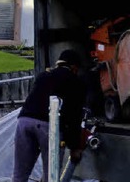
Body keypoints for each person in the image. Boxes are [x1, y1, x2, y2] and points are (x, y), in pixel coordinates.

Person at [12, 49, 87, 182]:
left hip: (24, 121)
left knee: (19, 174)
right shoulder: (75, 81)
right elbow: (74, 116)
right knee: (51, 175)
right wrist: (74, 147)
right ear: (74, 67)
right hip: (48, 125)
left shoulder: (43, 76)